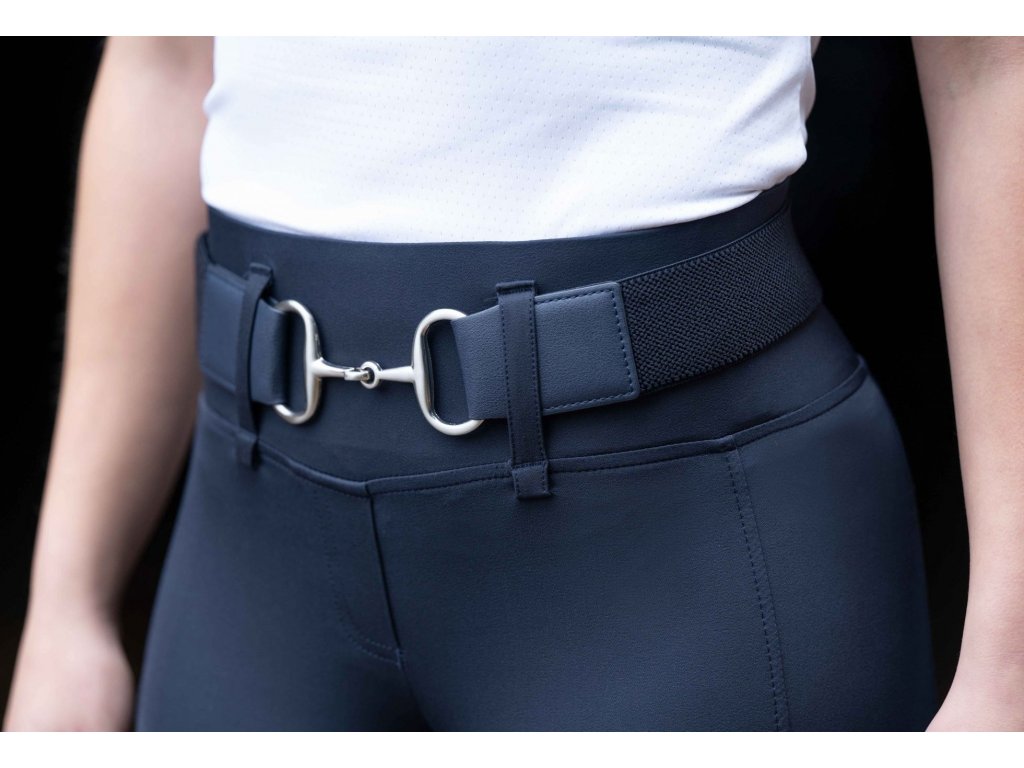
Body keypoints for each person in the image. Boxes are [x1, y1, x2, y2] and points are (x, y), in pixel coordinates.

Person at [4, 36, 1023, 731]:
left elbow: (990, 65)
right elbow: (162, 58)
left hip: (682, 543)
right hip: (252, 560)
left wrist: (1009, 665)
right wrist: (66, 605)